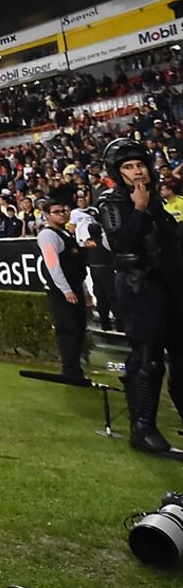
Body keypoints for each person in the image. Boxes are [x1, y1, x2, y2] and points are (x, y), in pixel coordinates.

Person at [96, 138, 183, 459]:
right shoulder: (112, 203)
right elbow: (123, 242)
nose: (137, 171)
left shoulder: (157, 201)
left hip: (169, 284)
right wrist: (139, 209)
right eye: (128, 167)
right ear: (117, 172)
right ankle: (142, 428)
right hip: (139, 287)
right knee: (148, 359)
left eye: (140, 165)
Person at [36, 200, 89, 383]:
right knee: (69, 330)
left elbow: (77, 265)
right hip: (62, 290)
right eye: (57, 211)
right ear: (47, 215)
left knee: (78, 329)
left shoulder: (66, 234)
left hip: (75, 286)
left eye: (64, 210)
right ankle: (70, 369)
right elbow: (53, 265)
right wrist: (66, 290)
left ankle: (75, 368)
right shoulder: (48, 235)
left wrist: (83, 289)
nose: (62, 214)